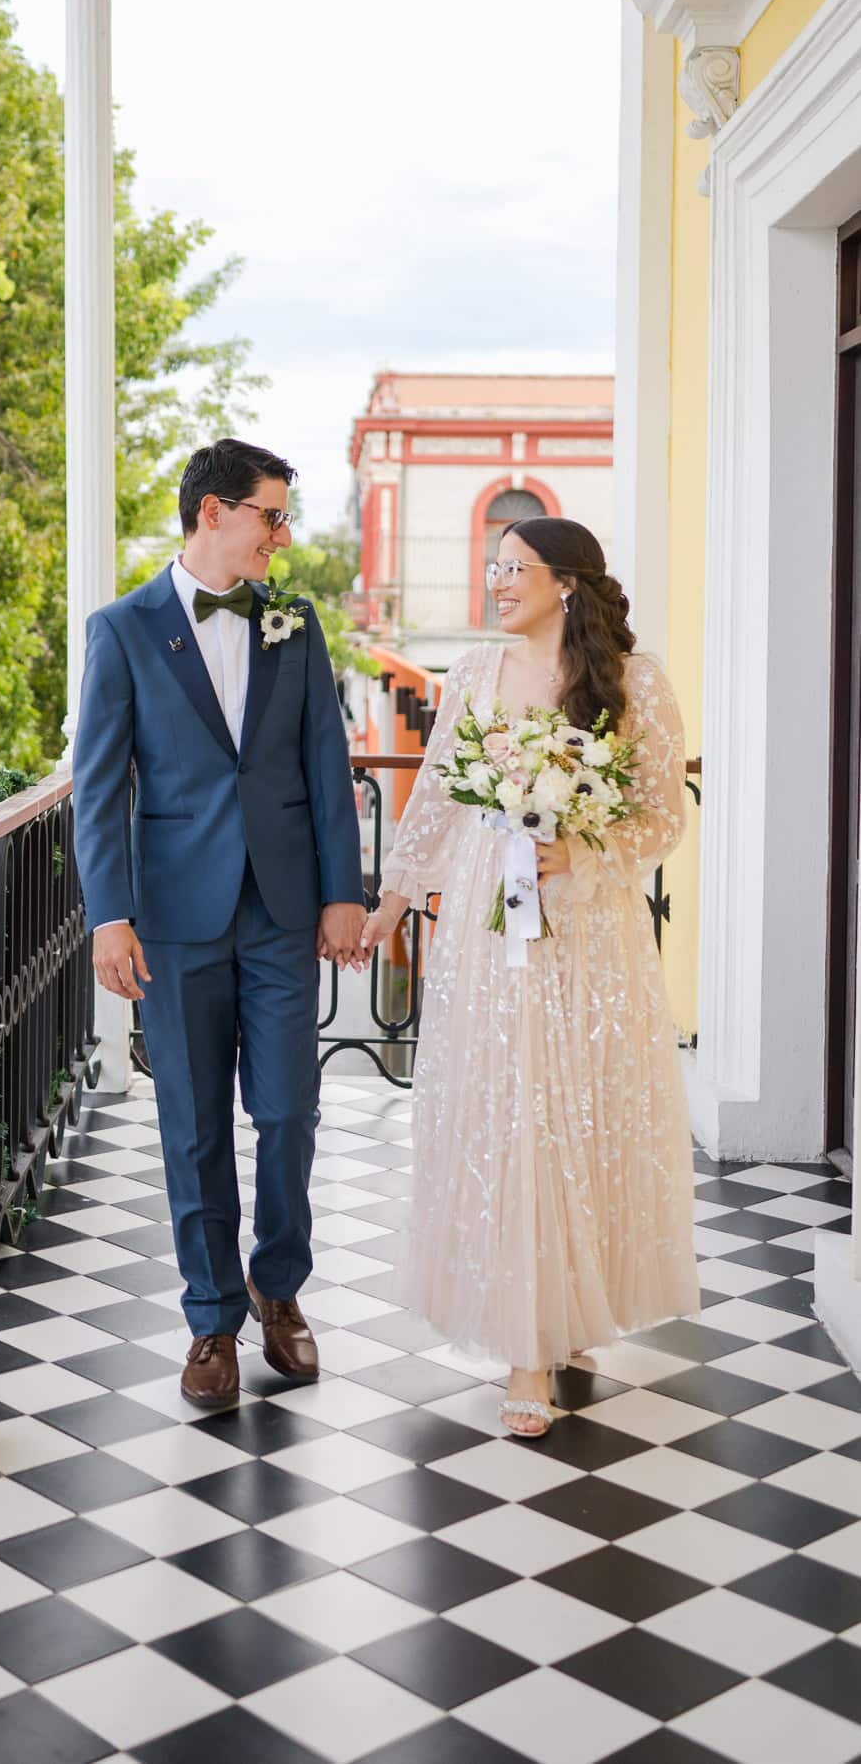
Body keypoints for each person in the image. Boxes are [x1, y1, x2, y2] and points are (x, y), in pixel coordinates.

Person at [361, 517, 699, 1437]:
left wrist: (581, 846)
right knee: (508, 1110)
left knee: (579, 1108)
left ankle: (572, 1309)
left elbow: (663, 815)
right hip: (486, 928)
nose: (497, 582)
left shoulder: (635, 682)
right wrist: (393, 898)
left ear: (567, 583)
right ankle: (526, 1350)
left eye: (514, 568)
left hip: (590, 932)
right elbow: (435, 793)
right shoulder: (473, 673)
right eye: (493, 567)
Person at [73, 439, 366, 1411]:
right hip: (175, 917)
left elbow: (327, 762)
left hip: (283, 910)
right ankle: (211, 1319)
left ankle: (278, 1286)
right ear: (214, 513)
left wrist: (344, 891)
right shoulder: (121, 630)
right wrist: (107, 914)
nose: (283, 535)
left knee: (288, 1111)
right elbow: (98, 784)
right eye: (271, 516)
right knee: (192, 1125)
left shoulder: (296, 623)